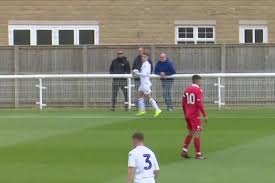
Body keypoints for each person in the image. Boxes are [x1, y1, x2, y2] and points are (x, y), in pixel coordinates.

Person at [181, 75, 208, 160]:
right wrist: (204, 115)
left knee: (190, 133)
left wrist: (185, 113)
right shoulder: (198, 90)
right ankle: (198, 154)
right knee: (197, 134)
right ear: (197, 81)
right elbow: (199, 104)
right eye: (200, 81)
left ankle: (184, 150)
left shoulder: (187, 90)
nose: (201, 82)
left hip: (188, 115)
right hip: (195, 116)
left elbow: (183, 103)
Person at [133, 53, 162, 118]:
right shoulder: (143, 64)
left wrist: (137, 73)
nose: (143, 58)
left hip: (145, 83)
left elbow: (144, 74)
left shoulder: (147, 64)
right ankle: (142, 110)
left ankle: (157, 109)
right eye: (142, 56)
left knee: (149, 97)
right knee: (139, 95)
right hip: (142, 83)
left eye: (144, 56)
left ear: (147, 57)